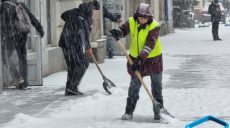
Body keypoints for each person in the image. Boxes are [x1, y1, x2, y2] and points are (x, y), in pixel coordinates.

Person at [109, 3, 164, 121]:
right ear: (136, 16)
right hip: (135, 59)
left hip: (153, 59)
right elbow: (123, 30)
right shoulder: (132, 22)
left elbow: (150, 44)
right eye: (140, 17)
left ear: (149, 17)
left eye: (145, 18)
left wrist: (140, 59)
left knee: (156, 87)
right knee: (134, 87)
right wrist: (118, 32)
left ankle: (159, 112)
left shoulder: (154, 26)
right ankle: (129, 111)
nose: (142, 20)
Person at [58, 0, 100, 96]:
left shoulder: (87, 18)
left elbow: (85, 35)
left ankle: (70, 88)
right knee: (81, 63)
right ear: (91, 8)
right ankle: (71, 87)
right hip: (68, 43)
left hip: (76, 44)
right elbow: (63, 15)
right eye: (95, 11)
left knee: (75, 65)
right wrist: (74, 20)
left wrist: (88, 46)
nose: (95, 13)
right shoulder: (77, 13)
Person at [0, 0, 44, 89]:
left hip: (11, 36)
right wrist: (40, 29)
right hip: (22, 35)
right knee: (22, 58)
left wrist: (3, 36)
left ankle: (17, 76)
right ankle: (23, 82)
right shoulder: (20, 5)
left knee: (4, 56)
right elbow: (31, 17)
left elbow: (3, 24)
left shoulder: (4, 7)